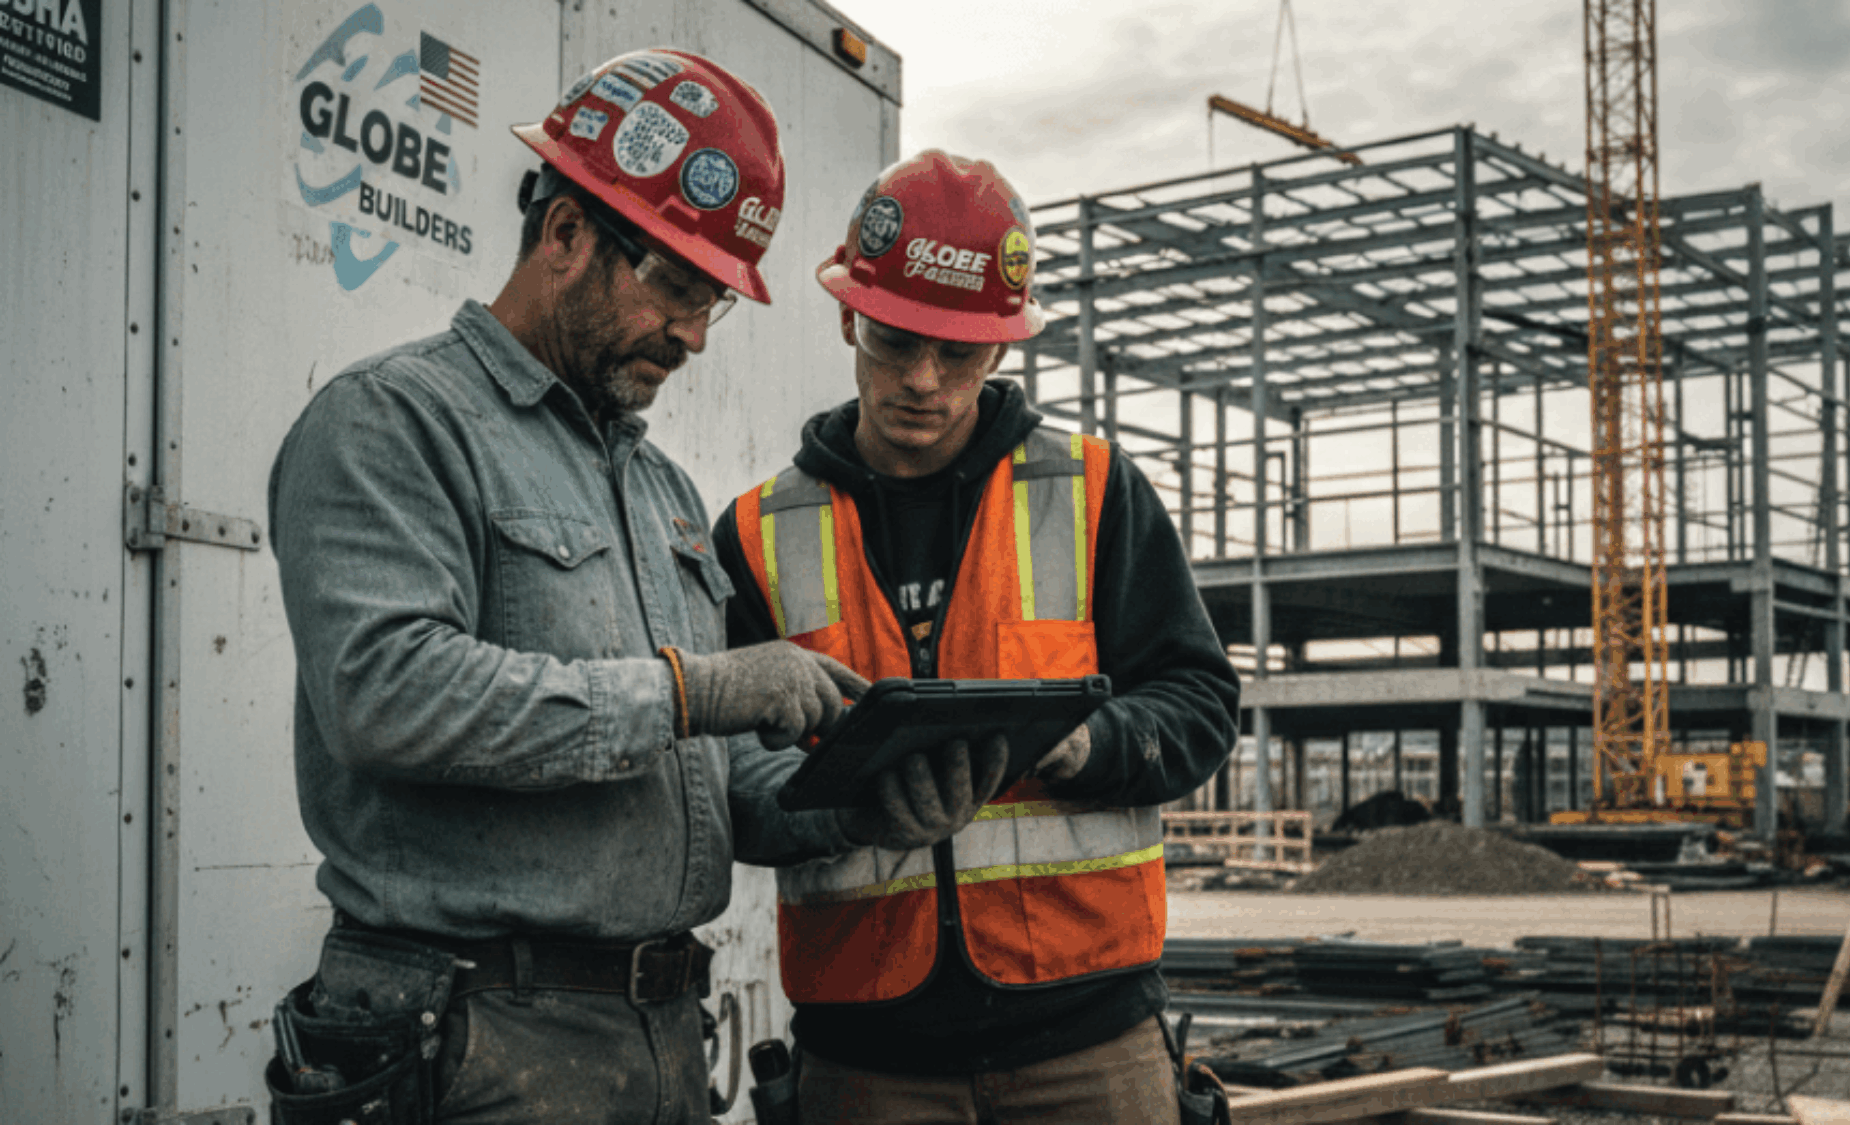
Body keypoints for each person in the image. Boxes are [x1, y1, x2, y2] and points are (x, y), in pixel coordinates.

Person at [264, 49, 866, 1125]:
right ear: (563, 234)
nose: (690, 333)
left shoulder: (663, 491)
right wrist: (696, 690)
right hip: (472, 1037)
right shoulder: (392, 423)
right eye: (674, 284)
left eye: (712, 301)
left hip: (658, 1036)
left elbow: (710, 787)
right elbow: (386, 694)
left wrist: (855, 799)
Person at [711, 150, 1243, 1123]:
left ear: (1000, 349)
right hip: (869, 1056)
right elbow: (722, 791)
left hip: (1089, 1041)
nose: (921, 380)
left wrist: (1084, 743)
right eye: (893, 340)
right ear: (847, 318)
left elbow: (1202, 705)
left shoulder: (1091, 493)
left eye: (956, 354)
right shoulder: (755, 534)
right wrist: (847, 811)